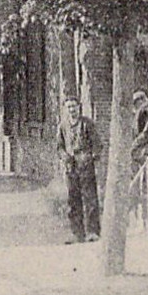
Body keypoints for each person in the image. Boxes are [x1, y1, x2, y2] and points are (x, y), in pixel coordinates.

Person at [54, 97, 101, 243]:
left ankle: (93, 231)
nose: (72, 110)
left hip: (85, 165)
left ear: (79, 107)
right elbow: (59, 147)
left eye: (74, 107)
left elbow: (97, 144)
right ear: (65, 110)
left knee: (90, 198)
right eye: (68, 107)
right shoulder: (63, 126)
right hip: (71, 167)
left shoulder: (87, 124)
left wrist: (91, 157)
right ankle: (77, 233)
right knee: (73, 199)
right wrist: (65, 157)